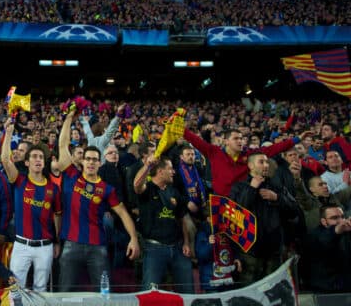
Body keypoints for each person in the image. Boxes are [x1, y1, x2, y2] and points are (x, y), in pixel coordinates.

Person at [57, 110, 140, 292]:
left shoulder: (106, 189)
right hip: (71, 244)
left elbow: (123, 214)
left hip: (98, 247)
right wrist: (69, 118)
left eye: (95, 160)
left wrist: (133, 239)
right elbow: (62, 145)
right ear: (83, 161)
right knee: (64, 293)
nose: (91, 163)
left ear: (100, 163)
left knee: (104, 295)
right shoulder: (72, 176)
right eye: (88, 159)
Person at [1, 118, 61, 292]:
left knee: (40, 289)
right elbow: (5, 160)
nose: (38, 159)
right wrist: (9, 133)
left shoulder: (53, 188)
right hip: (21, 245)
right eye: (34, 156)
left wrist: (57, 242)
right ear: (26, 163)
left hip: (45, 246)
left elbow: (57, 215)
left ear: (44, 162)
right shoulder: (19, 181)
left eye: (41, 157)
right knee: (15, 289)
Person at [229, 152, 298, 286]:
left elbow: (294, 211)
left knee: (272, 291)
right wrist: (252, 188)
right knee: (248, 293)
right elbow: (236, 214)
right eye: (261, 162)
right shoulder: (239, 187)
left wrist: (277, 198)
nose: (266, 165)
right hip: (249, 252)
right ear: (250, 165)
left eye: (267, 162)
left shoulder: (277, 187)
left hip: (274, 250)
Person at [183, 126, 311, 196]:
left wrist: (297, 139)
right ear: (226, 141)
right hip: (221, 200)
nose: (240, 141)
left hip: (242, 200)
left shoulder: (249, 154)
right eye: (236, 138)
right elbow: (195, 140)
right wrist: (180, 129)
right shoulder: (214, 152)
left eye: (241, 138)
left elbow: (273, 149)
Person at [133, 155, 194, 293]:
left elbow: (182, 218)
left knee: (188, 291)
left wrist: (186, 242)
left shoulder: (174, 191)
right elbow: (136, 185)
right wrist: (148, 166)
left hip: (178, 248)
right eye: (170, 169)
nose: (173, 172)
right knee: (150, 292)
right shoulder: (147, 189)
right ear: (160, 171)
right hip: (154, 248)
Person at [305, 204, 351, 292]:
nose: (341, 220)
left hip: (346, 286)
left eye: (342, 217)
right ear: (323, 221)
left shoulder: (346, 232)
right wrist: (337, 230)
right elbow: (324, 240)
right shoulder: (314, 235)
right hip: (325, 290)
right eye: (334, 218)